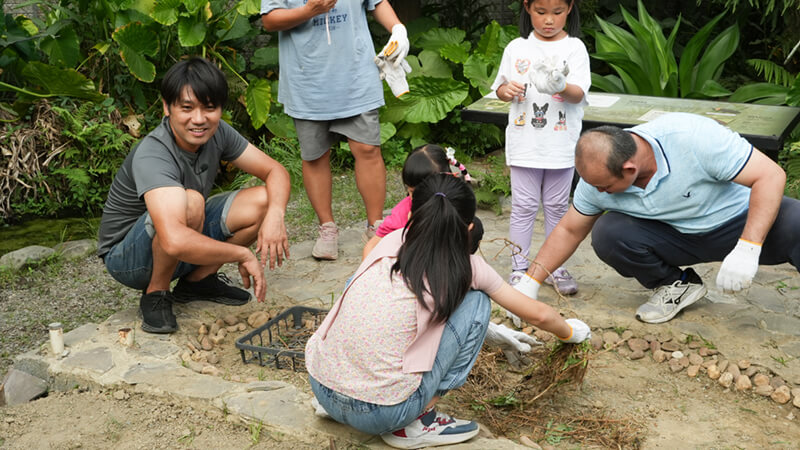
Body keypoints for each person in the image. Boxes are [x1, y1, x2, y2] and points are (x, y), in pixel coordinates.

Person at [305, 174, 591, 448]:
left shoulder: (387, 241)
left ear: (410, 216)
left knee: (361, 282)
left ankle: (342, 394)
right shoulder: (468, 267)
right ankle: (418, 423)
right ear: (469, 228)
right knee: (478, 301)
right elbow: (538, 315)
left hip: (321, 387)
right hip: (383, 413)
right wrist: (569, 332)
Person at [513, 112, 800, 324]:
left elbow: (770, 175)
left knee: (798, 221)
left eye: (605, 187)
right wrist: (530, 283)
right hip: (676, 236)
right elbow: (569, 231)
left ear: (628, 169)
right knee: (609, 233)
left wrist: (748, 247)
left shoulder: (692, 137)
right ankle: (678, 284)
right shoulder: (596, 179)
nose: (598, 191)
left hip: (740, 220)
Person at [97, 57, 291, 334]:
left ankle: (197, 282)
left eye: (209, 108)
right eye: (187, 108)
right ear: (167, 107)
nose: (199, 119)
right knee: (191, 201)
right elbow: (174, 239)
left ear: (220, 109)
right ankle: (156, 293)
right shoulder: (153, 152)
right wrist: (241, 254)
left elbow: (276, 171)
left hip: (183, 236)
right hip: (129, 258)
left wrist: (276, 214)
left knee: (264, 200)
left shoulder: (218, 132)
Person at [261, 0, 409, 261]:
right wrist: (309, 11)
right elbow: (270, 20)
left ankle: (376, 226)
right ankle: (327, 227)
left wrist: (397, 28)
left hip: (357, 74)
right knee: (315, 155)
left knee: (368, 148)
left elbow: (376, 3)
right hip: (307, 78)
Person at [491, 0, 590, 303]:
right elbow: (500, 88)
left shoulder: (574, 48)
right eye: (541, 12)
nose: (549, 20)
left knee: (558, 207)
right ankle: (519, 268)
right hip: (525, 145)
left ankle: (553, 268)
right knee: (523, 206)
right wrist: (505, 91)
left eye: (557, 13)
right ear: (527, 8)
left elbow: (579, 94)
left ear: (570, 9)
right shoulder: (516, 48)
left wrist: (560, 84)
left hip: (561, 146)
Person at [362, 144, 483, 259]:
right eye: (412, 192)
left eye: (425, 191)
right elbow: (372, 245)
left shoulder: (456, 205)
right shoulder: (403, 214)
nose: (418, 198)